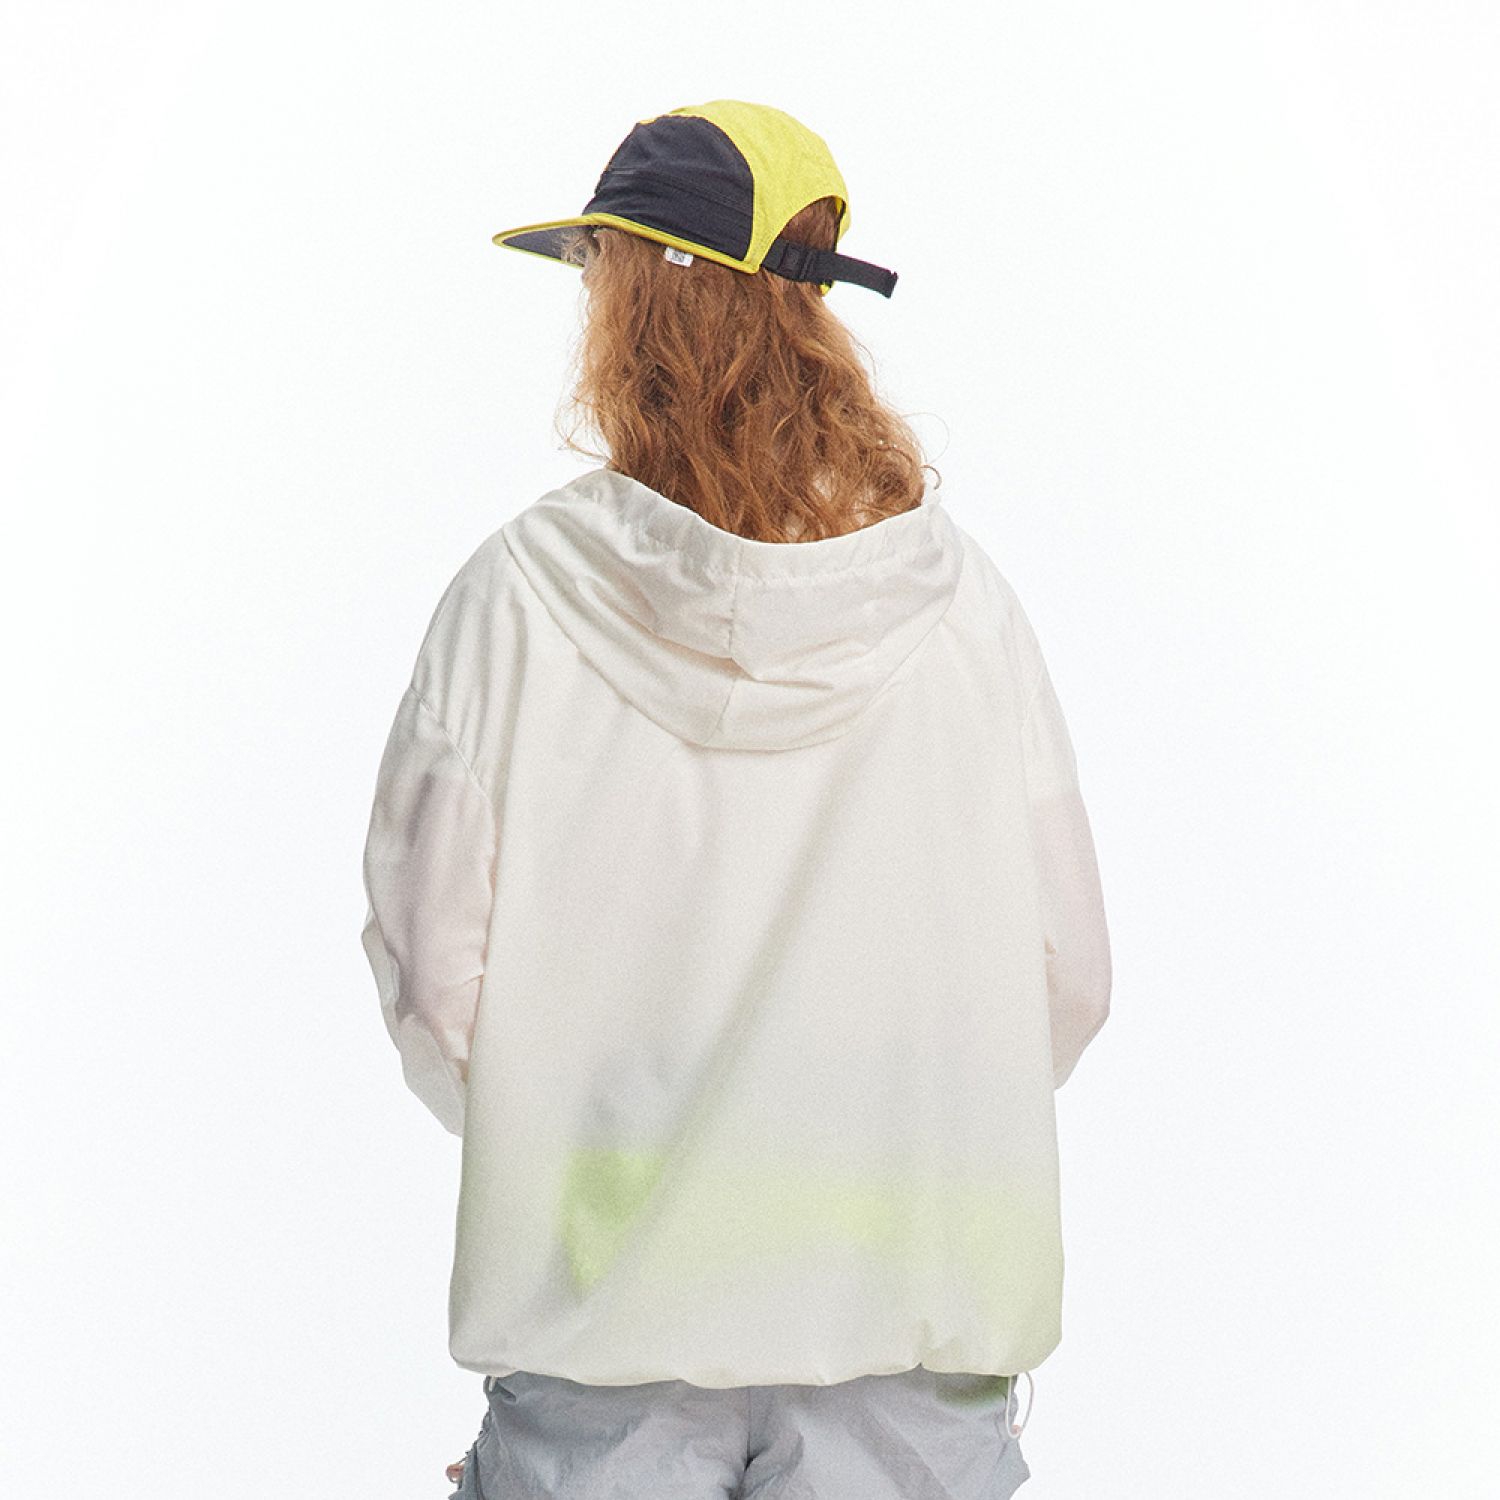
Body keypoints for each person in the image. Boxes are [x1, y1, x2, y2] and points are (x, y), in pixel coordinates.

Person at [359, 98, 1111, 1500]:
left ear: (626, 309)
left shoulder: (516, 599)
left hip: (605, 1330)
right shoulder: (963, 610)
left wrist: (594, 1148)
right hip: (908, 1314)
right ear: (816, 311)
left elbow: (434, 977)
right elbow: (1067, 976)